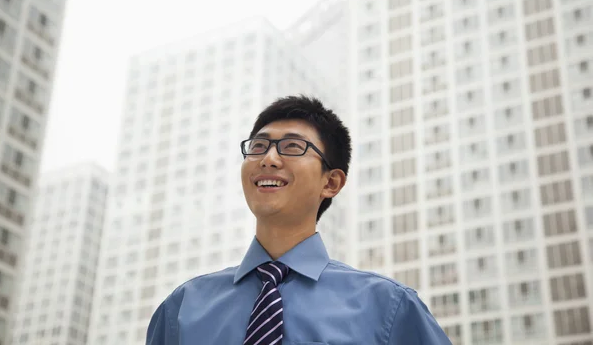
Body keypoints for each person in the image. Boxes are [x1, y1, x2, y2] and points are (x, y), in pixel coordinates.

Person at [146, 95, 451, 344]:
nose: (269, 158)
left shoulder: (389, 307)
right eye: (258, 146)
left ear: (330, 183)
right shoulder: (183, 309)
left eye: (293, 147)